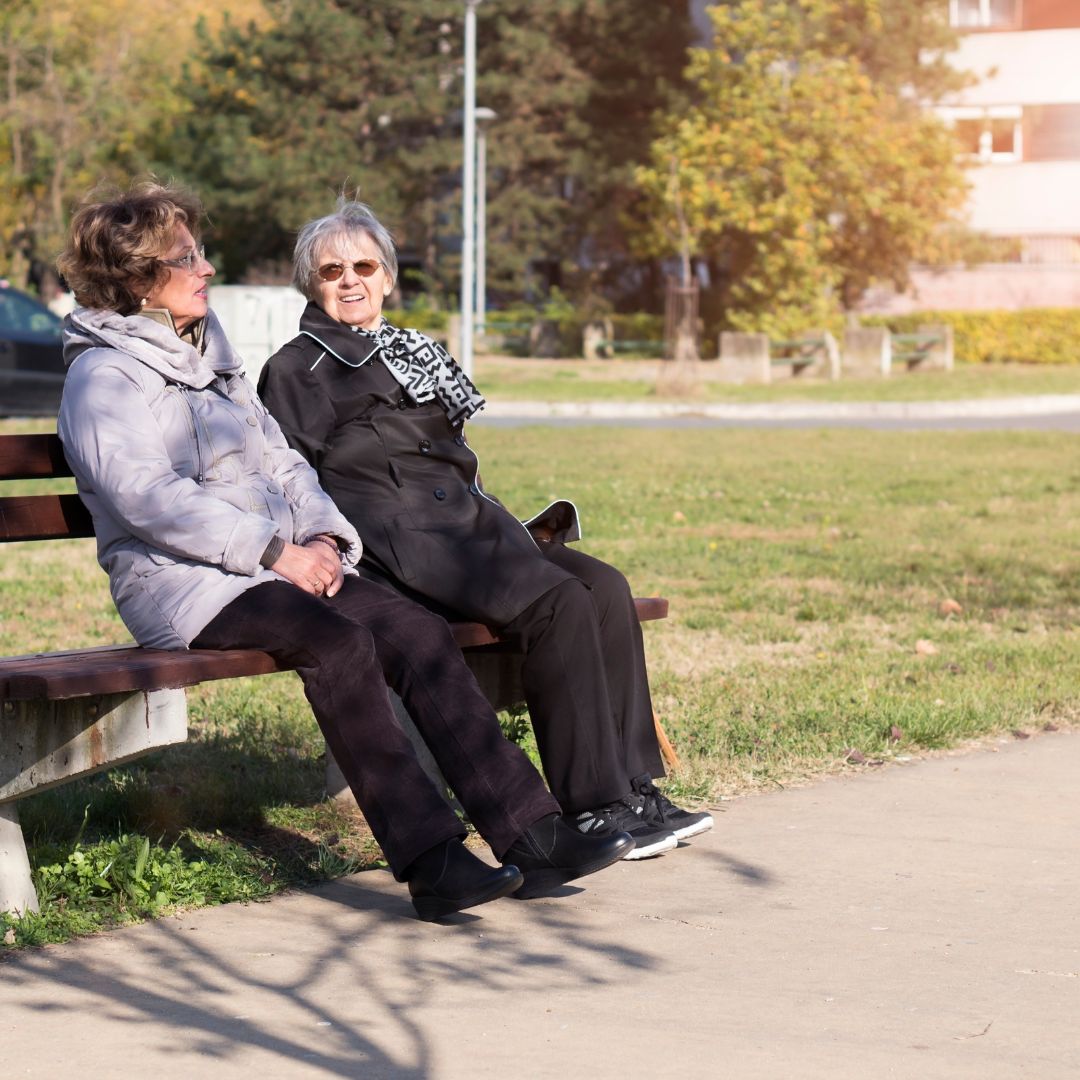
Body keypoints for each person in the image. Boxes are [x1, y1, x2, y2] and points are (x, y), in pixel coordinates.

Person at [55, 180, 632, 922]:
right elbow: (146, 498)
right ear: (139, 280)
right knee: (340, 644)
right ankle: (432, 861)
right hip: (184, 585)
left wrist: (323, 534)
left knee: (414, 630)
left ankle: (533, 833)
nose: (204, 269)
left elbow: (284, 461)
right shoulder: (103, 376)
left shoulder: (208, 352)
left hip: (273, 565)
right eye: (187, 258)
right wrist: (273, 553)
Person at [258, 200, 713, 860]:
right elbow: (288, 477)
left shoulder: (417, 350)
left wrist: (511, 524)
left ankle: (635, 787)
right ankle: (592, 804)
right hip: (402, 544)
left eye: (364, 265)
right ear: (311, 283)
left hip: (466, 525)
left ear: (388, 276)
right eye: (332, 270)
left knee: (606, 587)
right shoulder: (298, 369)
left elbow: (457, 457)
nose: (350, 280)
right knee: (558, 604)